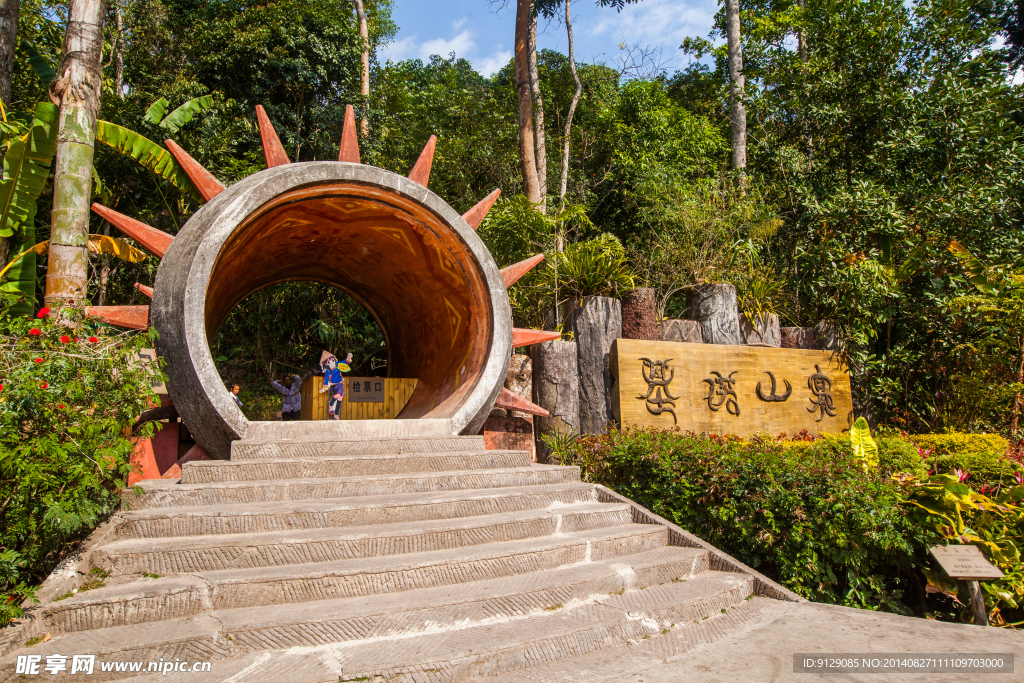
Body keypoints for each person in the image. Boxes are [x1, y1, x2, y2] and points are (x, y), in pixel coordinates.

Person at [319, 351, 352, 419]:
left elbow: (344, 362)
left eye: (332, 360)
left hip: (340, 383)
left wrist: (348, 358)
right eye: (329, 361)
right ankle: (331, 406)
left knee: (340, 398)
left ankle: (336, 415)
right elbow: (326, 378)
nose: (331, 362)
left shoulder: (337, 364)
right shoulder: (328, 370)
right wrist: (325, 386)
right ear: (326, 364)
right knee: (336, 395)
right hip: (333, 384)